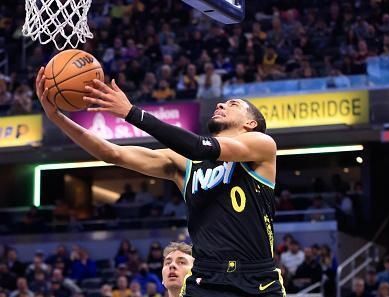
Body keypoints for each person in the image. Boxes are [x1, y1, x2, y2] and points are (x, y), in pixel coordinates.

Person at [36, 66, 284, 296]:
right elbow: (112, 153)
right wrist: (57, 118)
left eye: (233, 104)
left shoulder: (261, 144)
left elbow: (199, 147)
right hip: (206, 277)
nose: (221, 104)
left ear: (250, 123)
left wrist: (131, 113)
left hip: (256, 277)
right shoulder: (183, 164)